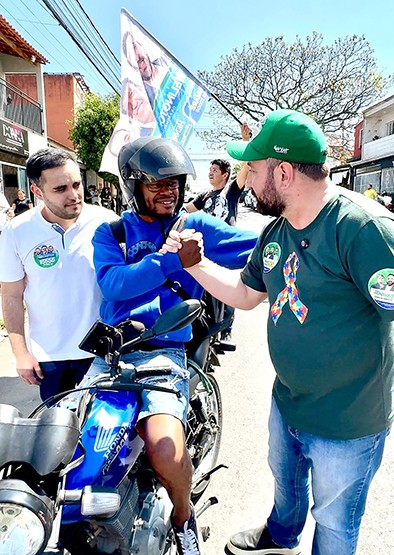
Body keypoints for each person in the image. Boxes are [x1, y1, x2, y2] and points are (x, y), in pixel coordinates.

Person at [163, 109, 394, 555]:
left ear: (284, 172)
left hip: (347, 424)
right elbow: (247, 294)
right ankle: (281, 537)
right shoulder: (277, 231)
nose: (245, 179)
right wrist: (196, 263)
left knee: (335, 524)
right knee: (285, 485)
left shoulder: (361, 230)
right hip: (288, 401)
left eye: (253, 169)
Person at [89, 136, 257, 555]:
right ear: (133, 185)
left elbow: (252, 246)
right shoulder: (112, 232)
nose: (169, 192)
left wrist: (303, 227)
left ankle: (183, 517)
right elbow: (112, 282)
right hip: (113, 352)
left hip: (165, 353)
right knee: (79, 447)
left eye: (175, 184)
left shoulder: (194, 227)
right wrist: (169, 261)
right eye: (157, 184)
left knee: (165, 448)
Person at [0, 148, 117, 401]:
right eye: (60, 189)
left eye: (76, 184)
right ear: (37, 192)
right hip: (51, 357)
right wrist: (21, 353)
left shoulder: (107, 223)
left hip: (103, 351)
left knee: (105, 436)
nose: (74, 195)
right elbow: (11, 296)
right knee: (57, 436)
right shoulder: (16, 232)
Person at [185, 122, 252, 347]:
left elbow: (246, 168)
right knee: (207, 287)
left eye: (215, 170)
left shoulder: (232, 190)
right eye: (210, 169)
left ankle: (227, 329)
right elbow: (186, 210)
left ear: (225, 174)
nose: (211, 172)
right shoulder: (204, 194)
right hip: (207, 247)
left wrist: (246, 142)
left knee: (230, 287)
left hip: (226, 246)